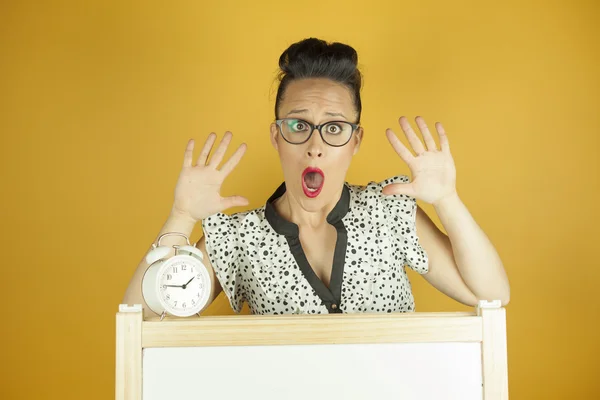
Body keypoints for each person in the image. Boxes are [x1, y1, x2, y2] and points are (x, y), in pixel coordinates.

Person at [123, 38, 510, 317]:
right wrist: (181, 215)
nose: (315, 146)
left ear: (356, 141)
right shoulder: (237, 237)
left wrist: (448, 200)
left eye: (335, 128)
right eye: (298, 124)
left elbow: (492, 295)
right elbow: (138, 321)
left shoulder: (390, 211)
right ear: (276, 136)